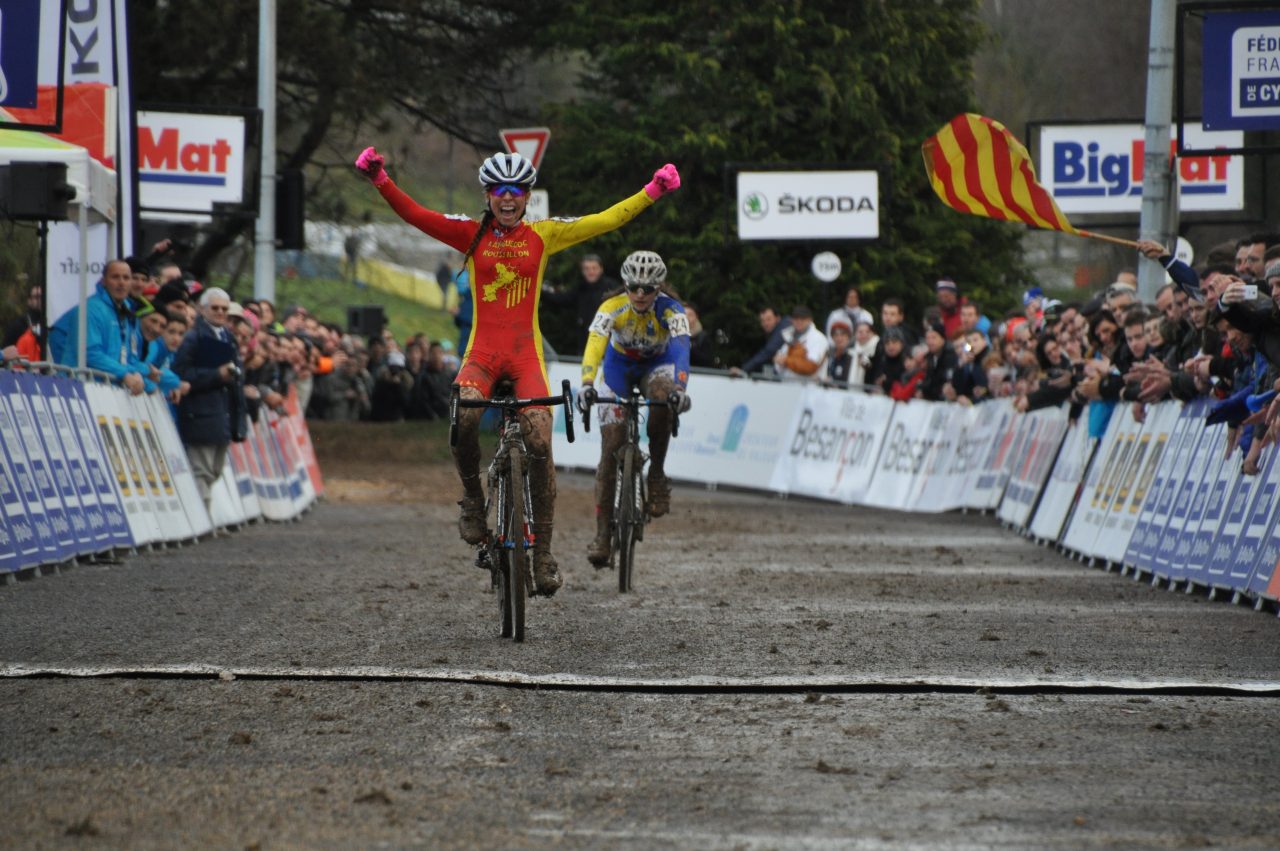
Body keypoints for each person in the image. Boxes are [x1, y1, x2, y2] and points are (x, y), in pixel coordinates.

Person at [355, 145, 680, 596]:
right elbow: (415, 214)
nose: (508, 198)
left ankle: (542, 554)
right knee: (466, 415)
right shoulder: (470, 233)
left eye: (517, 191)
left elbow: (606, 219)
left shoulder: (544, 234)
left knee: (541, 443)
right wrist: (380, 179)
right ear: (488, 195)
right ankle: (472, 500)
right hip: (482, 356)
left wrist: (652, 191)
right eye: (499, 190)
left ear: (527, 197)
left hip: (525, 357)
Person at [577, 250, 691, 566]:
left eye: (648, 289)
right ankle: (602, 535)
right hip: (618, 369)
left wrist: (680, 389)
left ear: (659, 289)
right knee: (610, 448)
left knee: (662, 401)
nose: (640, 295)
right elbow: (594, 346)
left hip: (658, 365)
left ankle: (655, 475)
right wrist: (587, 383)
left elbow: (682, 351)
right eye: (633, 288)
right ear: (625, 286)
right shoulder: (610, 308)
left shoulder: (672, 310)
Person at [173, 288, 248, 510]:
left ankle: (202, 514)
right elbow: (182, 374)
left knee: (214, 469)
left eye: (224, 309)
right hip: (200, 413)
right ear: (201, 309)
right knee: (202, 469)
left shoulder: (227, 337)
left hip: (222, 413)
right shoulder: (193, 338)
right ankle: (201, 514)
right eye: (214, 308)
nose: (220, 313)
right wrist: (216, 375)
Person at [48, 259, 154, 395]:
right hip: (79, 392)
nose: (121, 282)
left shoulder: (126, 312)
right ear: (103, 281)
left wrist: (144, 379)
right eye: (115, 277)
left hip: (106, 392)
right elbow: (90, 353)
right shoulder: (90, 310)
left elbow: (127, 358)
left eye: (126, 278)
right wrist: (125, 374)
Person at [542, 253, 621, 354]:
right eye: (587, 269)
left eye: (594, 268)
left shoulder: (612, 287)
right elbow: (563, 299)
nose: (591, 272)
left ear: (601, 269)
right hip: (585, 342)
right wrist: (541, 291)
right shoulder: (581, 288)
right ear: (582, 271)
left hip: (609, 342)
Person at [730, 306, 790, 377]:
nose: (765, 323)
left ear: (777, 318)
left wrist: (744, 370)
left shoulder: (785, 326)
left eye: (769, 319)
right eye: (762, 320)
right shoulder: (779, 329)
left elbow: (769, 351)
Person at [773, 305, 828, 380]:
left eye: (803, 319)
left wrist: (787, 360)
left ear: (810, 320)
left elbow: (810, 367)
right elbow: (778, 364)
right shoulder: (788, 336)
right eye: (796, 318)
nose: (799, 321)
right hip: (787, 385)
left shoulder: (818, 338)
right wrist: (782, 361)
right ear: (792, 320)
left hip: (811, 387)